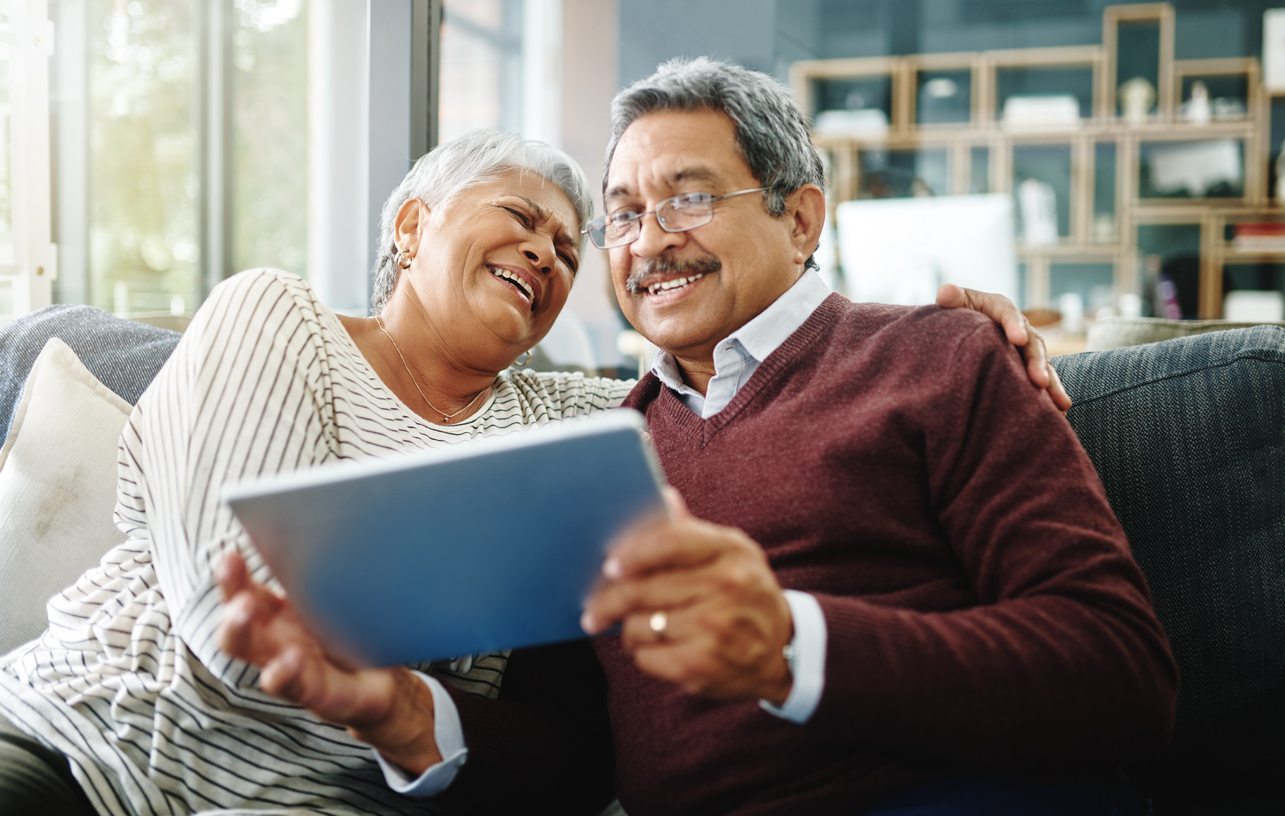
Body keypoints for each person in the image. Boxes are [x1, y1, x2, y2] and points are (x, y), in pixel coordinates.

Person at [218, 59, 1177, 816]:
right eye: (624, 216)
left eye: (687, 198)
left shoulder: (941, 357)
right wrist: (397, 714)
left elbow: (1119, 671)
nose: (646, 241)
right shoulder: (602, 443)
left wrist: (791, 649)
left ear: (800, 217)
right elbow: (570, 756)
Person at [0, 125, 1049, 815]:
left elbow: (745, 398)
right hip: (85, 754)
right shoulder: (278, 319)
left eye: (567, 243)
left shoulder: (574, 415)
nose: (550, 253)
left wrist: (926, 335)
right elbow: (234, 633)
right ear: (413, 229)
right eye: (520, 219)